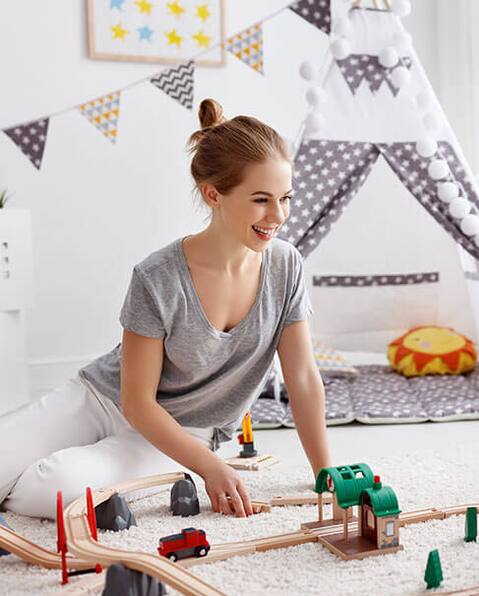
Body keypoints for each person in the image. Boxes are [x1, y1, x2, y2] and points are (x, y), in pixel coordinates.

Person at [0, 99, 330, 519]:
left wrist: (324, 472)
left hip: (184, 433)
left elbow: (302, 377)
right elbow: (136, 403)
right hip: (101, 398)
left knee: (55, 487)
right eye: (261, 199)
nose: (278, 215)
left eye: (285, 197)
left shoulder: (286, 267)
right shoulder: (157, 275)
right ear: (214, 194)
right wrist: (210, 468)